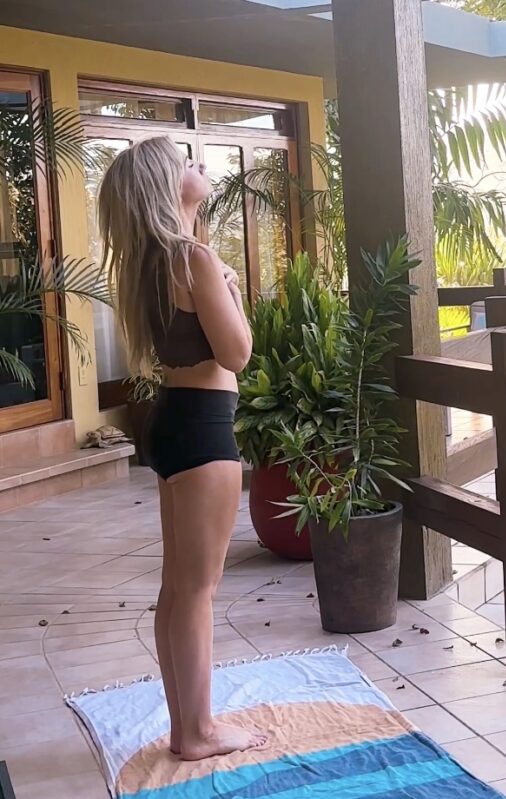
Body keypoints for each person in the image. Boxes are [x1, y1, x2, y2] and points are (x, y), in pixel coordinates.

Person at [98, 135, 265, 761]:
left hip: (171, 424)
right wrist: (230, 288)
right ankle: (197, 732)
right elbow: (237, 354)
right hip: (202, 426)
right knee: (197, 590)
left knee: (178, 587)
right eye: (185, 162)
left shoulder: (145, 266)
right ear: (165, 186)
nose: (200, 165)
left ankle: (185, 725)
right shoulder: (192, 257)